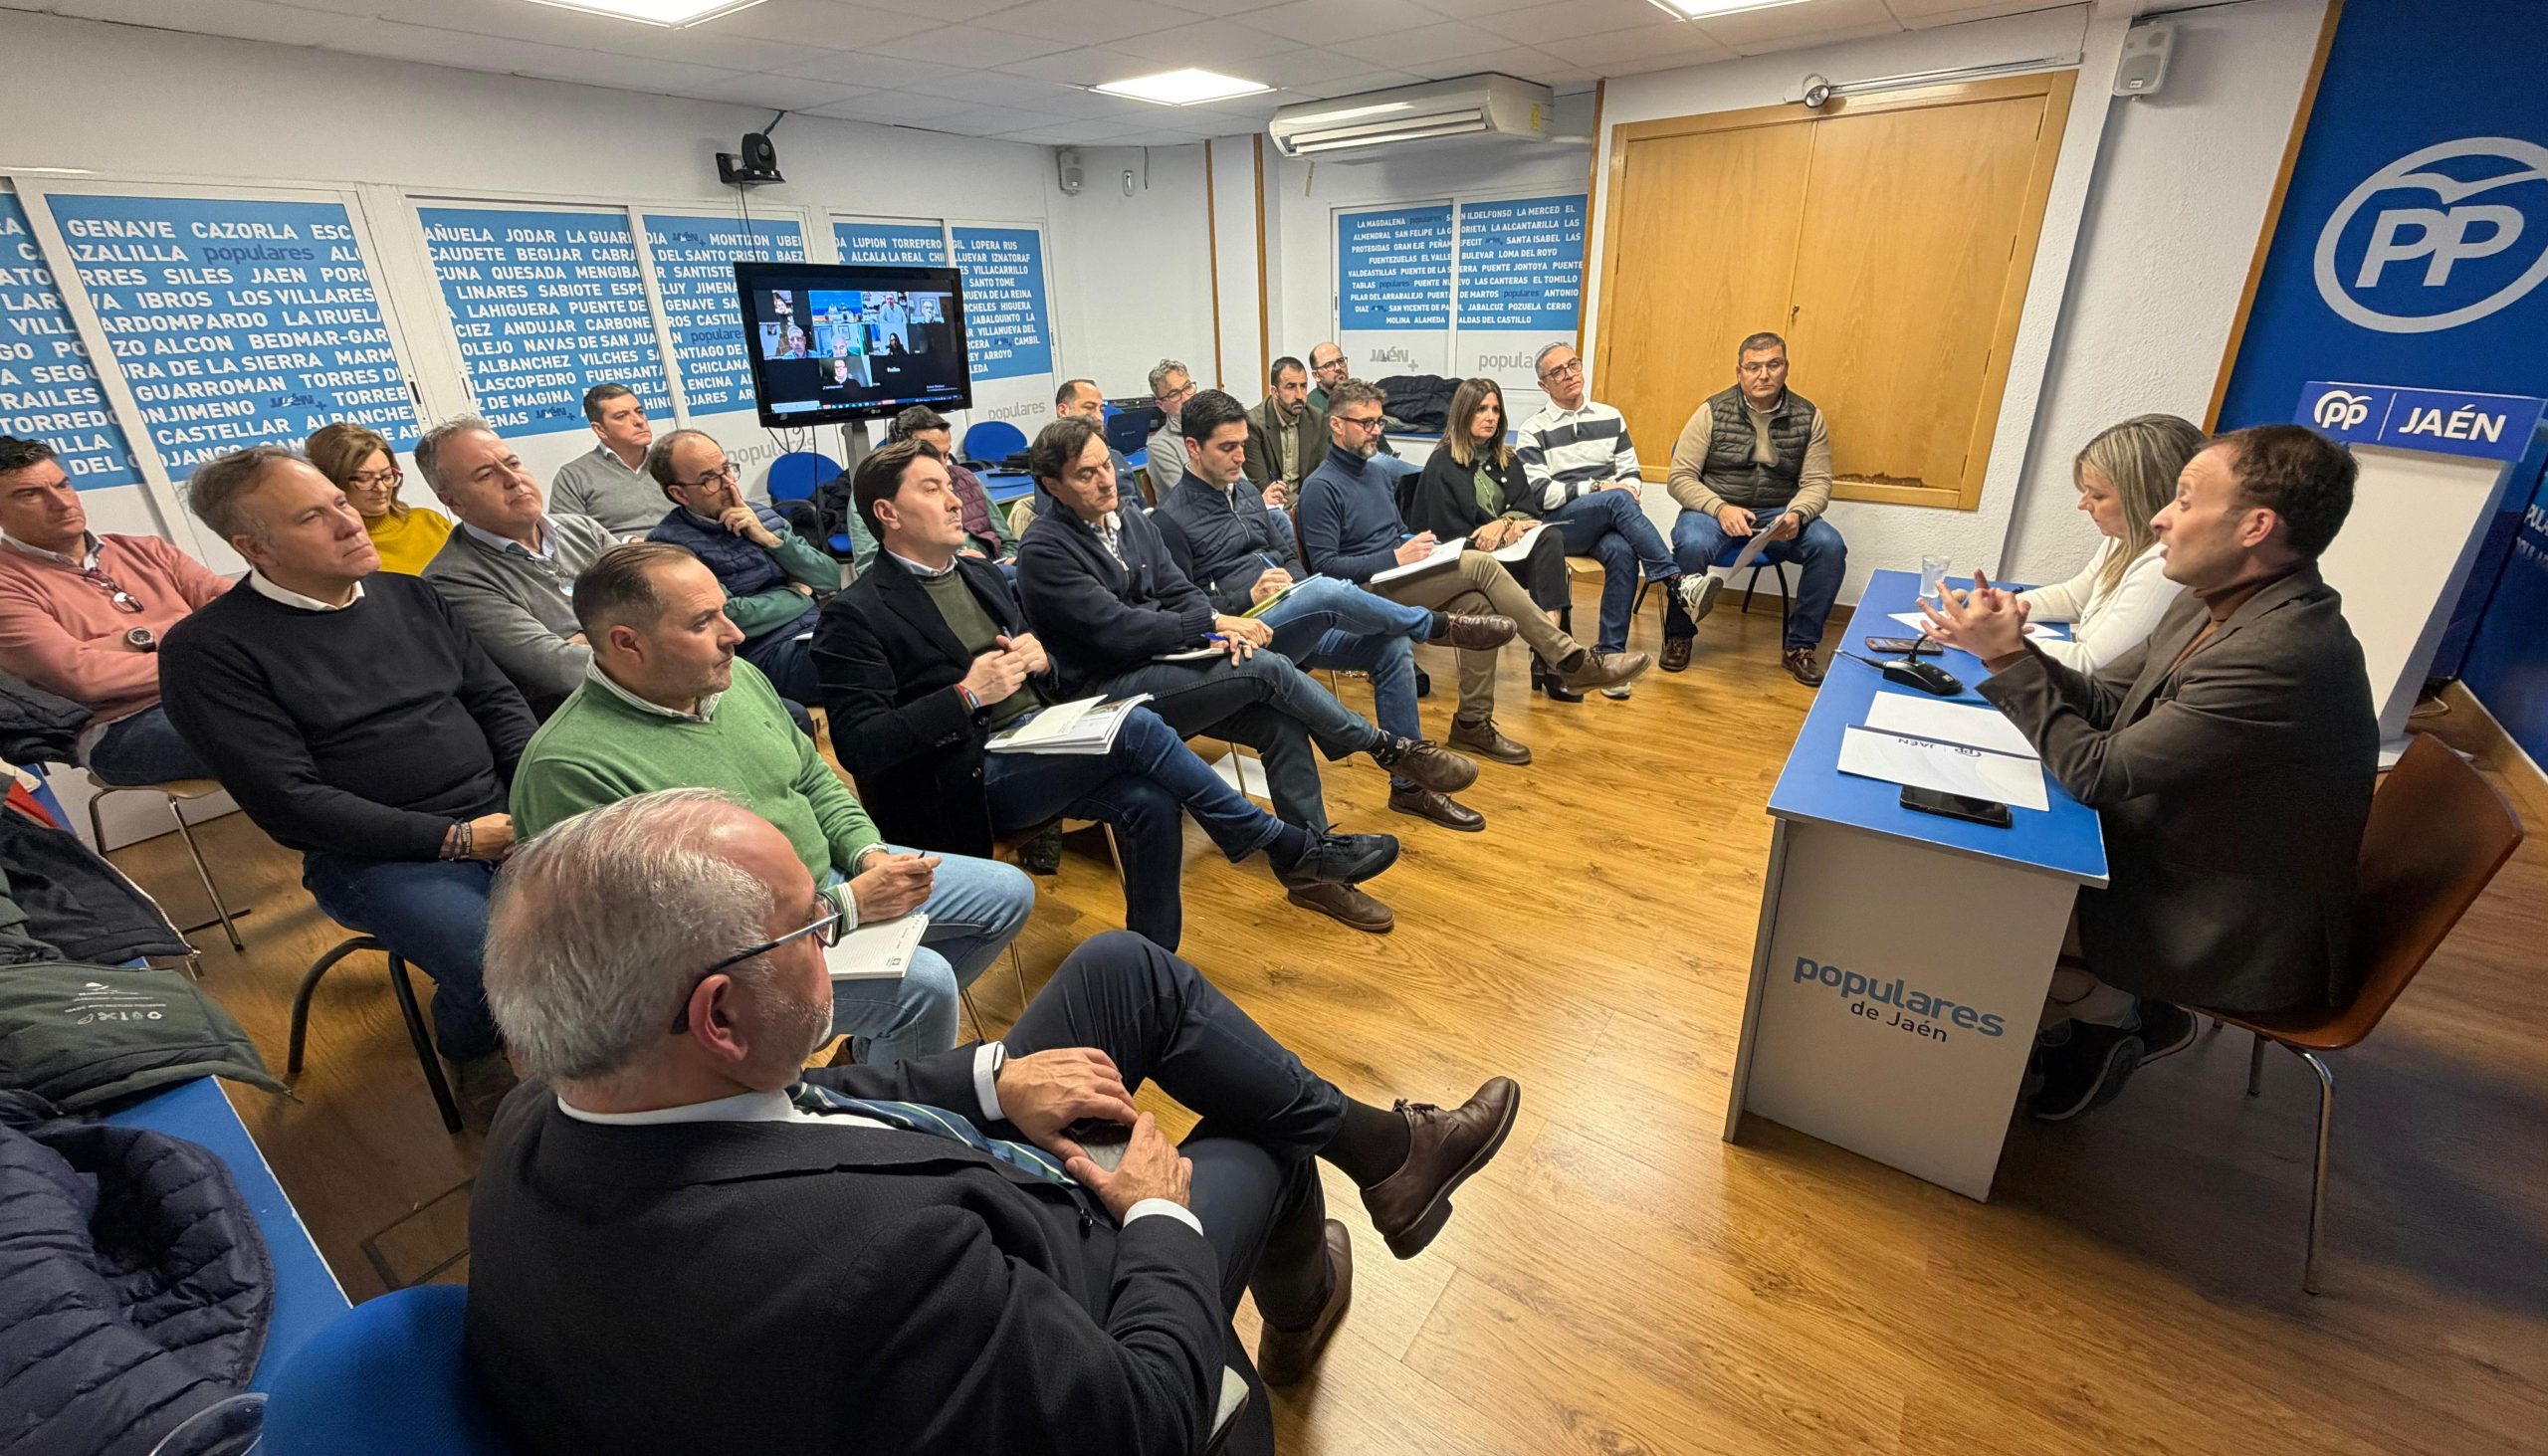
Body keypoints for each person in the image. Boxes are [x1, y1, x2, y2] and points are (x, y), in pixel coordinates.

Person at [465, 789, 1523, 1455]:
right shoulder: (877, 1262)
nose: (834, 928)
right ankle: (1291, 1327)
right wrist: (1157, 1218)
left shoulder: (555, 1109)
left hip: (961, 1193)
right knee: (1258, 1136)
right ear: (722, 1013)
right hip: (1062, 1285)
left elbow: (812, 1102)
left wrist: (986, 1081)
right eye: (813, 923)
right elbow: (1140, 1419)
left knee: (1121, 968)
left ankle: (1394, 1158)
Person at [1920, 424, 2377, 1121]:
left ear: (2256, 525)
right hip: (2192, 856)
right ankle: (2101, 1012)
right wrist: (2010, 648)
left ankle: (2104, 1014)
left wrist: (2008, 662)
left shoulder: (2281, 653)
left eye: (2187, 500)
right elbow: (2110, 701)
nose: (2161, 515)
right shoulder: (2216, 598)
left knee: (1982, 901)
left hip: (2220, 919)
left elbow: (2098, 770)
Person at [813, 443, 1402, 950]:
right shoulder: (854, 614)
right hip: (965, 783)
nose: (953, 500)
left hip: (1041, 739)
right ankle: (1282, 843)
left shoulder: (979, 573)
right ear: (887, 513)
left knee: (1150, 801)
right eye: (932, 488)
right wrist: (967, 695)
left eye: (950, 484)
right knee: (1139, 724)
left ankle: (1152, 962)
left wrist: (1043, 659)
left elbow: (1057, 671)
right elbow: (862, 746)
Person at [508, 541, 1027, 1067]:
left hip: (824, 889)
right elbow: (656, 946)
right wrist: (840, 910)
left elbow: (812, 779)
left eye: (725, 611)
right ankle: (878, 1102)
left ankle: (863, 1056)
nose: (733, 635)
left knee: (1008, 894)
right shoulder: (570, 770)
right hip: (734, 960)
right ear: (628, 644)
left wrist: (869, 853)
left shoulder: (735, 682)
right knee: (925, 986)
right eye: (703, 622)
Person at [157, 446, 533, 1125]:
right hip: (377, 856)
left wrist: (534, 797)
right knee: (491, 955)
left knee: (632, 895)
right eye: (314, 516)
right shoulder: (209, 651)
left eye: (340, 501)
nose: (350, 520)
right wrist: (454, 839)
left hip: (504, 814)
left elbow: (499, 705)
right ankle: (473, 1051)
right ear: (255, 547)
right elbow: (289, 802)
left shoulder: (412, 594)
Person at [1014, 416, 1475, 934]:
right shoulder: (1044, 549)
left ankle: (1313, 873)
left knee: (1281, 723)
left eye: (1106, 465)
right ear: (1053, 486)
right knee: (1267, 670)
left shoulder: (1129, 520)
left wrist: (1216, 632)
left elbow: (1178, 590)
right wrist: (1211, 622)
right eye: (1086, 474)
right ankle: (1387, 748)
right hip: (1106, 697)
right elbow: (1118, 631)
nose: (1105, 480)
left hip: (1168, 667)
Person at [1153, 388, 1513, 830]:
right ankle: (1438, 627)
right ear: (1193, 447)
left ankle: (1412, 790)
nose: (1239, 457)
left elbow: (1285, 554)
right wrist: (1245, 598)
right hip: (1243, 634)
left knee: (1389, 646)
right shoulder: (1169, 520)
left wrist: (1294, 586)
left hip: (1293, 612)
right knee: (1325, 590)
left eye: (1243, 445)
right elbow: (1185, 609)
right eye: (1227, 448)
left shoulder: (1244, 491)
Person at [1299, 379, 1650, 766]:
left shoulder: (1375, 474)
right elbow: (1326, 570)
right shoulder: (1321, 487)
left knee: (1483, 610)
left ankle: (1472, 723)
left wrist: (1422, 546)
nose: (1376, 432)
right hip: (1365, 594)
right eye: (1366, 424)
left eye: (1379, 423)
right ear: (1335, 424)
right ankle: (1570, 660)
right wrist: (1396, 557)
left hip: (1400, 574)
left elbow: (1395, 532)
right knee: (1481, 564)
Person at [0, 434, 233, 786]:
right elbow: (83, 678)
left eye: (63, 485)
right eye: (30, 494)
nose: (61, 503)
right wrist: (200, 641)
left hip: (220, 693)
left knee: (328, 708)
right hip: (119, 726)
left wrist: (128, 642)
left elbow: (249, 615)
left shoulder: (149, 551)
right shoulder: (7, 583)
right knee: (264, 736)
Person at [1514, 344, 1700, 697]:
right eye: (1558, 372)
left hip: (1605, 522)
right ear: (1543, 385)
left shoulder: (1610, 417)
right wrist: (1599, 488)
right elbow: (1541, 494)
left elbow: (1631, 476)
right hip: (1559, 527)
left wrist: (1617, 491)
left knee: (1621, 550)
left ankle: (1610, 658)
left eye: (1573, 364)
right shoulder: (1533, 429)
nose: (1569, 374)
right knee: (1615, 499)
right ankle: (1676, 581)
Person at [1664, 331, 1846, 686]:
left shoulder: (1809, 416)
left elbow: (1818, 482)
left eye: (1773, 365)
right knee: (1690, 541)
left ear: (1785, 368)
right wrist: (1719, 508)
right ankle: (1679, 635)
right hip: (1714, 509)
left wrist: (1797, 514)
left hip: (1778, 512)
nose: (1763, 375)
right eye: (1754, 367)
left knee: (1830, 546)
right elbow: (1680, 477)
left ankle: (1800, 647)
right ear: (1739, 372)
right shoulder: (1711, 411)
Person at [417, 416, 619, 719]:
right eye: (486, 475)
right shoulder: (452, 579)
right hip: (583, 716)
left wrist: (584, 637)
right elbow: (562, 670)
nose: (512, 479)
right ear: (454, 502)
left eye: (512, 463)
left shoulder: (583, 530)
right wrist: (637, 635)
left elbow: (659, 603)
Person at [1407, 378, 1581, 702]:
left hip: (1507, 555)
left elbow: (1527, 511)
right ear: (1463, 414)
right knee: (1542, 549)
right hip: (1466, 563)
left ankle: (1547, 652)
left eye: (1496, 410)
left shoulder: (1507, 459)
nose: (1490, 417)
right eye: (1481, 410)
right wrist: (1503, 532)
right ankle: (1554, 654)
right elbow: (1445, 536)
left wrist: (1504, 523)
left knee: (1550, 539)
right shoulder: (1442, 464)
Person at [643, 428, 832, 709]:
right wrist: (801, 596)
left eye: (727, 469)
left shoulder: (762, 517)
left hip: (818, 629)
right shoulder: (671, 545)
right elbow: (731, 615)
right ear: (679, 493)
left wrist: (770, 539)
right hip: (761, 653)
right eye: (710, 479)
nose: (729, 485)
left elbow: (828, 578)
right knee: (851, 658)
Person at [2014, 415, 2203, 674]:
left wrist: (2000, 641)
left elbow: (2092, 664)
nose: (2083, 504)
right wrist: (2003, 609)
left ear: (2143, 496)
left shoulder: (2165, 565)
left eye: (2098, 495)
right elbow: (2074, 598)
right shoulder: (2123, 539)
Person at [839, 405, 1017, 575]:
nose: (942, 464)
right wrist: (955, 566)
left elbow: (1008, 542)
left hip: (992, 572)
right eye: (930, 454)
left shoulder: (966, 478)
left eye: (946, 454)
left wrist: (996, 564)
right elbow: (869, 569)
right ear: (901, 452)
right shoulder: (872, 493)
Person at [306, 423, 452, 575]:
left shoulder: (431, 522)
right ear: (331, 481)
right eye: (364, 479)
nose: (381, 488)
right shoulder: (333, 548)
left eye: (387, 476)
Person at [548, 383, 661, 537]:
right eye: (621, 416)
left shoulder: (671, 463)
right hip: (622, 557)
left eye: (639, 412)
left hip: (686, 552)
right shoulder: (574, 475)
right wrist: (626, 544)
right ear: (600, 429)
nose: (639, 421)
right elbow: (569, 540)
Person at [1242, 356, 1323, 504]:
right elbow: (1261, 484)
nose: (1300, 395)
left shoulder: (1316, 418)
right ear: (1275, 392)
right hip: (1274, 505)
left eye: (1303, 386)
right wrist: (1302, 505)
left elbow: (1322, 472)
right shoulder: (1253, 423)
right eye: (1291, 387)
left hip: (1309, 501)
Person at [1057, 377, 1139, 487]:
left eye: (1101, 410)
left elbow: (1142, 504)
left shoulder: (1116, 457)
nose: (1099, 417)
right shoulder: (1053, 466)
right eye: (1089, 408)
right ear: (1063, 411)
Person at [1145, 357, 1197, 497]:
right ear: (1161, 405)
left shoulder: (1214, 428)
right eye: (1174, 394)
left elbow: (1242, 484)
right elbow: (1189, 499)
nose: (1186, 398)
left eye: (1188, 387)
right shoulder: (1160, 446)